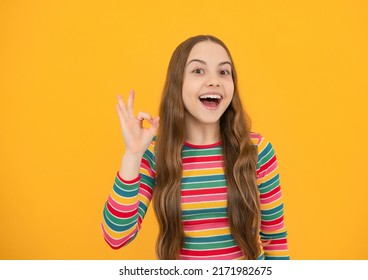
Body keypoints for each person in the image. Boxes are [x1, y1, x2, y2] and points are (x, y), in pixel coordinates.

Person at [101, 35, 289, 260]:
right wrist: (132, 156)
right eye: (198, 71)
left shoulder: (257, 149)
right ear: (177, 82)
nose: (214, 81)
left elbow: (275, 240)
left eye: (223, 72)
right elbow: (116, 236)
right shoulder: (155, 153)